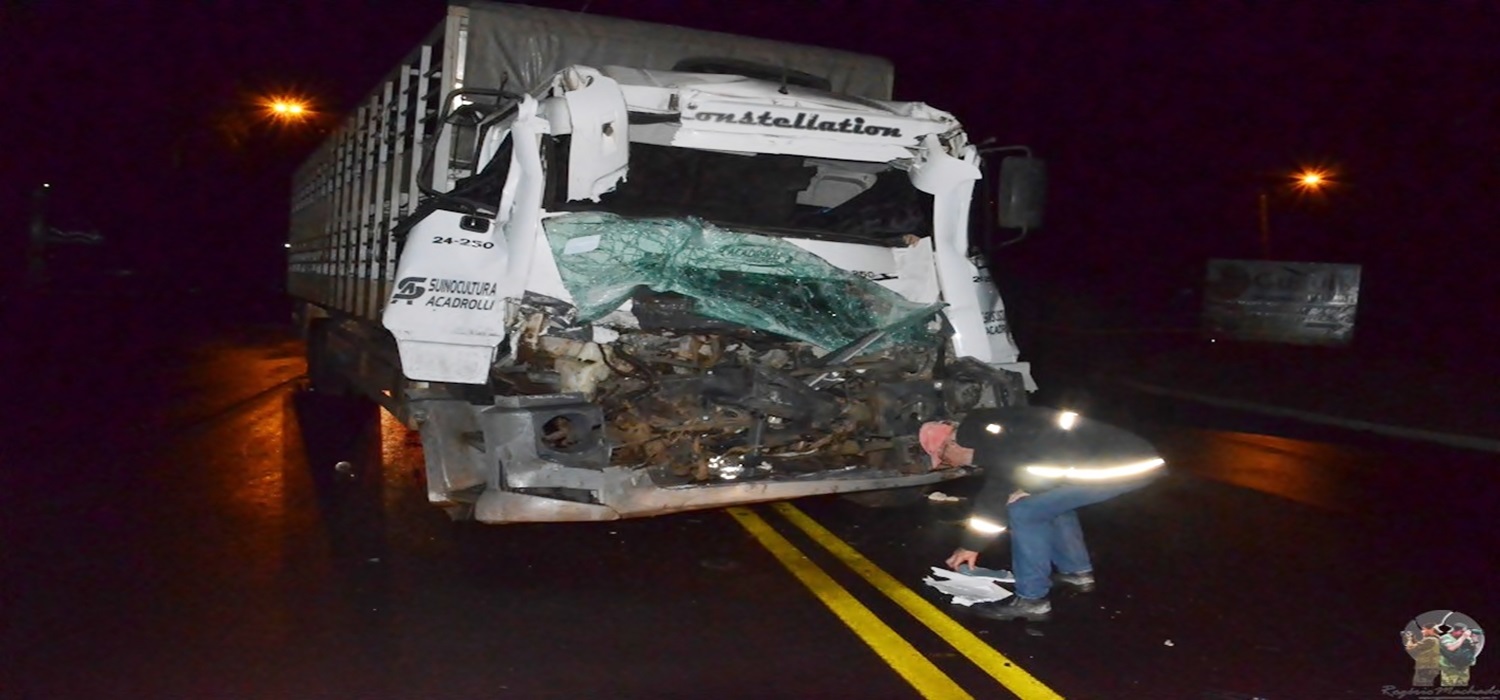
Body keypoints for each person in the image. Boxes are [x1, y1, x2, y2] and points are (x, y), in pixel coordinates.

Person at [920, 406, 1165, 621]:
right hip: (1133, 456)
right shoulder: (990, 426)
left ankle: (1032, 600)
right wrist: (1028, 486)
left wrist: (971, 546)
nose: (950, 464)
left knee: (1024, 511)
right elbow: (1034, 455)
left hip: (1121, 464)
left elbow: (995, 493)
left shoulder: (986, 435)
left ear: (951, 443)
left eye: (943, 457)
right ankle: (1076, 573)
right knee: (1045, 503)